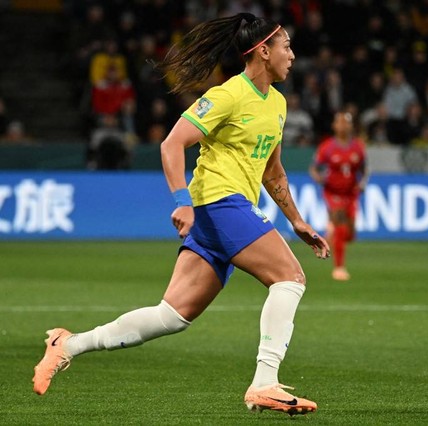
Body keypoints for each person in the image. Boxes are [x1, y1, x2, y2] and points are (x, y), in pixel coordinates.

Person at [32, 13, 329, 416]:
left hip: (228, 210)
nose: (293, 56)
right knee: (290, 277)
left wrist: (296, 220)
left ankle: (67, 344)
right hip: (218, 202)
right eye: (287, 47)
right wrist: (181, 201)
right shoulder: (227, 95)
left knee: (171, 316)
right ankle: (264, 382)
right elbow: (172, 144)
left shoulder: (277, 103)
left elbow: (272, 171)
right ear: (263, 51)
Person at [309, 111, 367, 281]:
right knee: (341, 225)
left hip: (351, 194)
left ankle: (331, 230)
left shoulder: (358, 147)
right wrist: (318, 178)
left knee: (350, 235)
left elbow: (364, 170)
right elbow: (314, 168)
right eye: (339, 123)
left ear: (351, 126)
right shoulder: (327, 147)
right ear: (334, 126)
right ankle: (339, 268)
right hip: (333, 193)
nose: (342, 126)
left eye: (346, 123)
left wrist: (362, 183)